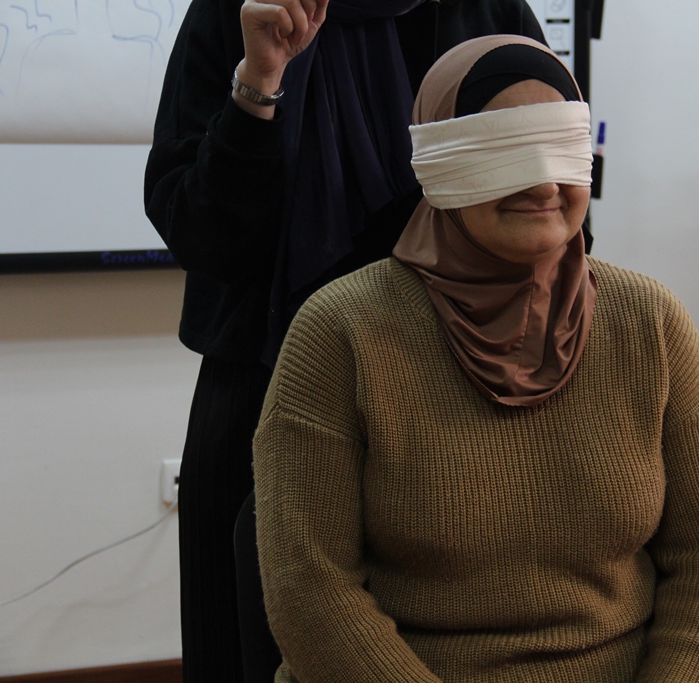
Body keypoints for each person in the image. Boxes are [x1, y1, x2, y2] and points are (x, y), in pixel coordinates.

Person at [252, 34, 699, 683]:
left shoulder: (651, 323)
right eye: (505, 150)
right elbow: (309, 588)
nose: (544, 181)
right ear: (438, 162)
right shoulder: (339, 333)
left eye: (560, 146)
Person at [143, 1, 548, 680]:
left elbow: (555, 211)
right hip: (265, 393)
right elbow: (199, 232)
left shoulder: (486, 9)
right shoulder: (237, 11)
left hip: (461, 393)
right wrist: (258, 82)